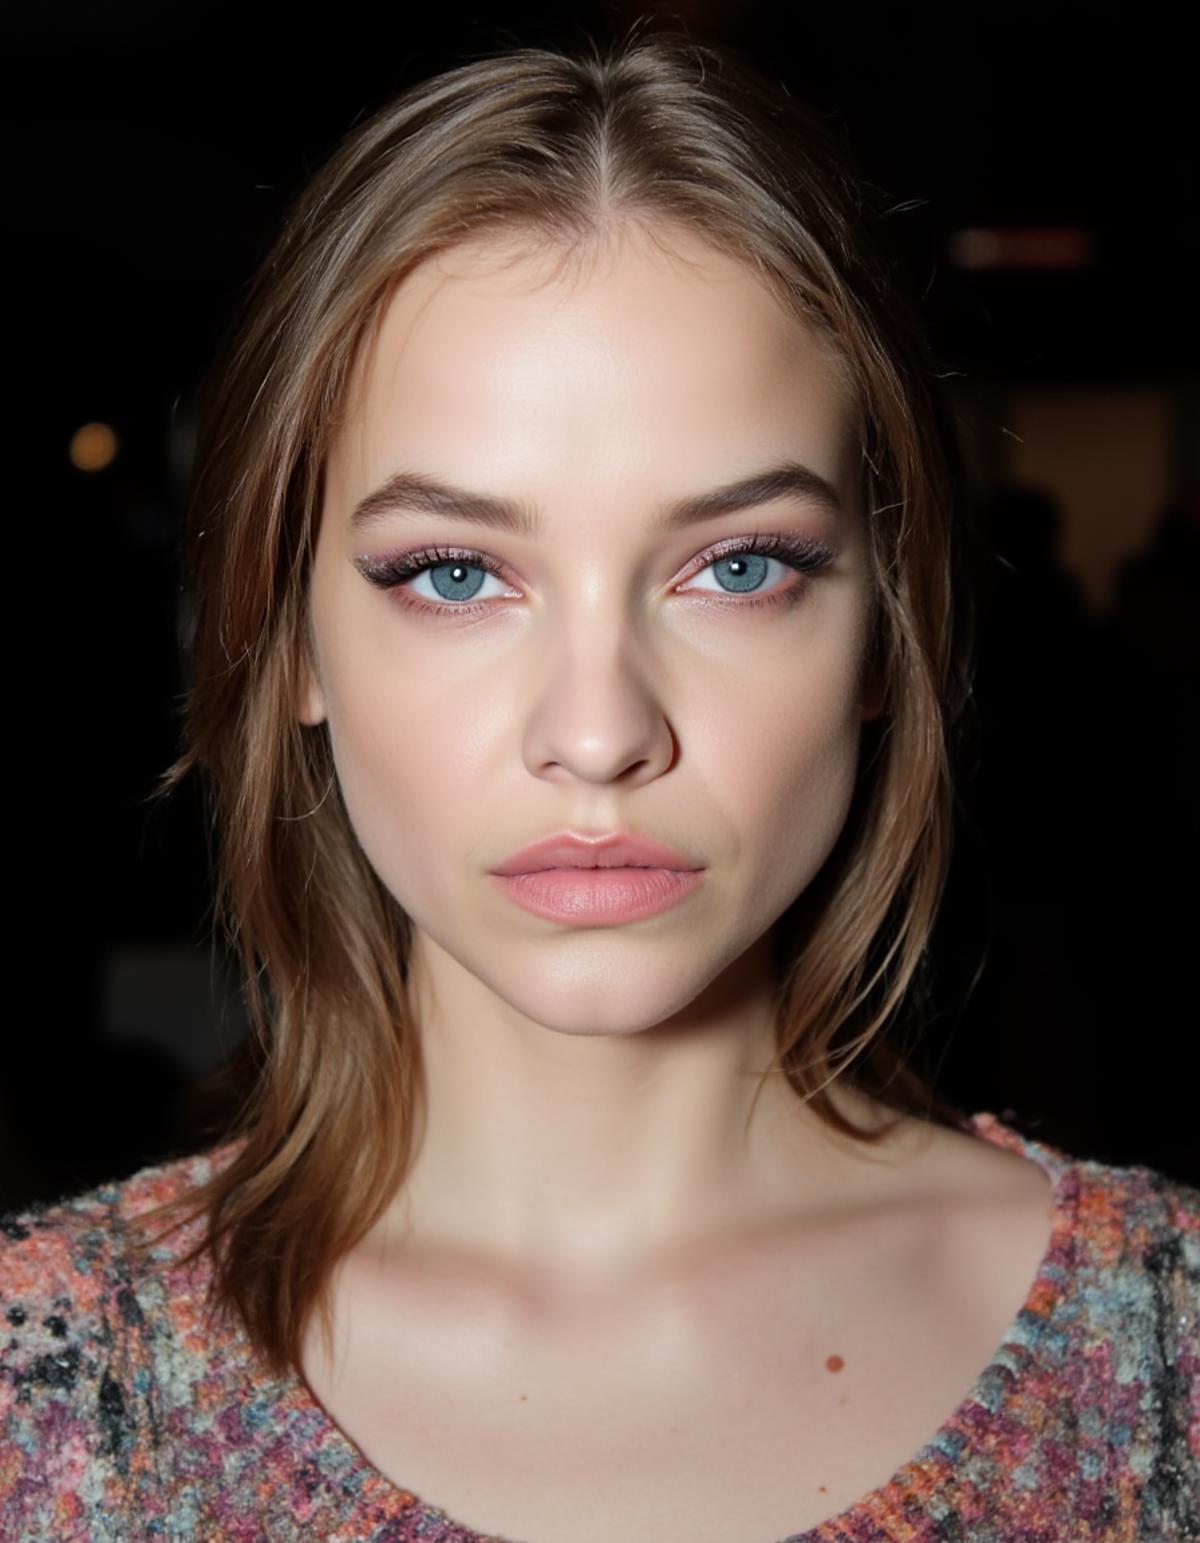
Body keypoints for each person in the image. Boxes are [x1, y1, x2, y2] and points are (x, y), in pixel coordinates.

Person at [2, 29, 1197, 1543]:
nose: (597, 730)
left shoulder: (1169, 1368)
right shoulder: (42, 1396)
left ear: (885, 629)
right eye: (452, 572)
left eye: (739, 567)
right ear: (286, 636)